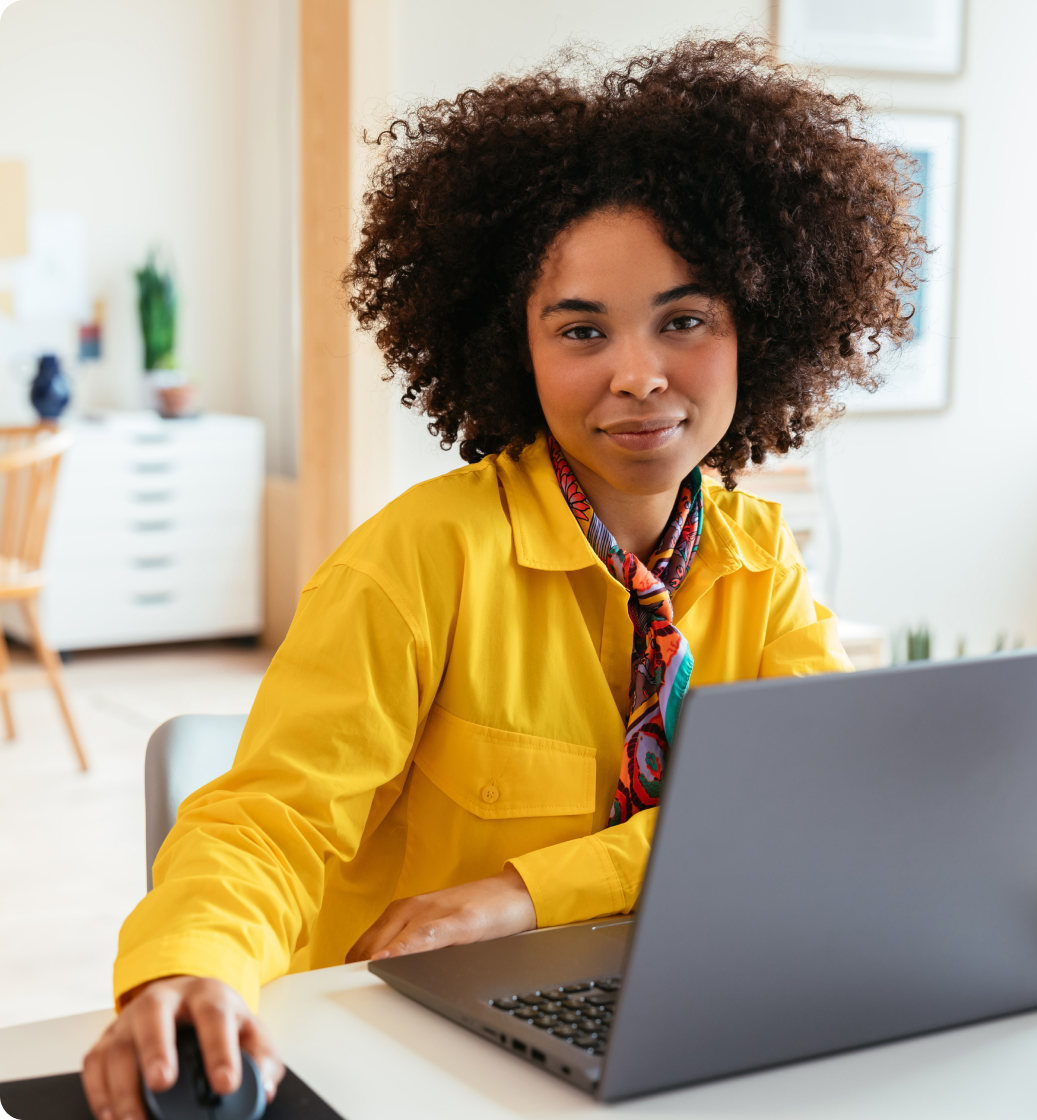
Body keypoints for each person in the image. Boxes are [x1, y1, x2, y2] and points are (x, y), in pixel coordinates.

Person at [81, 35, 923, 1120]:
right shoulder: (417, 560)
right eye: (582, 329)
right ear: (509, 346)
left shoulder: (760, 560)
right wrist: (183, 966)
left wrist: (518, 897)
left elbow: (796, 815)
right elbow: (267, 824)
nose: (637, 373)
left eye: (684, 318)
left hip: (659, 1025)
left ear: (756, 325)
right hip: (409, 1050)